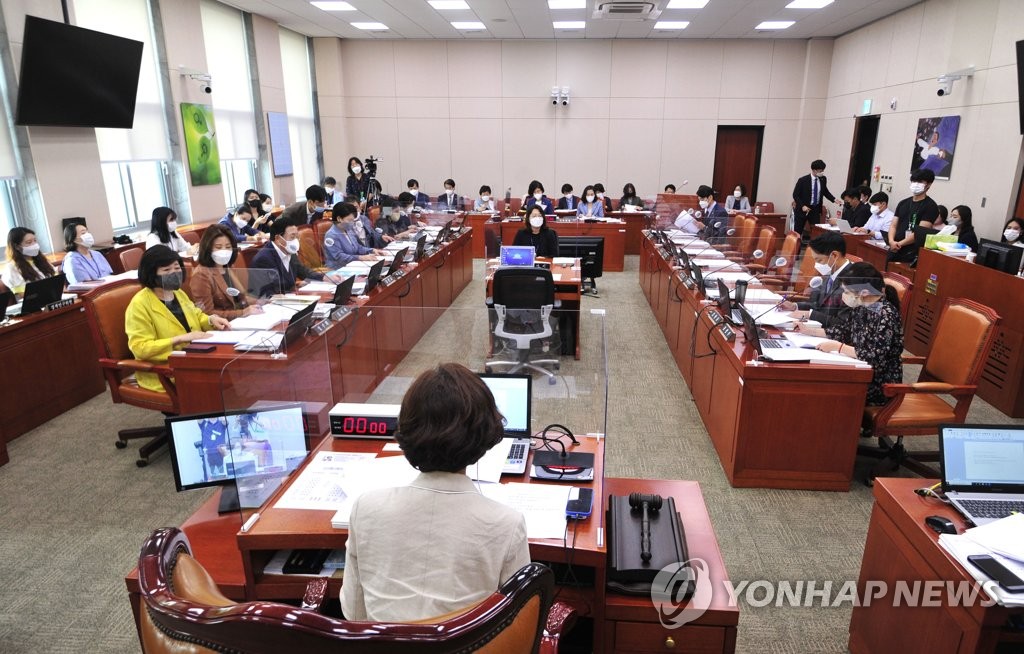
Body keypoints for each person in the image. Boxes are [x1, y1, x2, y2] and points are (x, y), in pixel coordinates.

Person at [340, 363, 530, 622]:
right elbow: (515, 625)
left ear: (406, 428)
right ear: (485, 435)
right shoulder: (507, 525)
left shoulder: (366, 508)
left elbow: (354, 614)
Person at [125, 245, 230, 393]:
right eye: (166, 270)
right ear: (151, 274)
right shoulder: (139, 305)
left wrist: (210, 320)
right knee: (219, 380)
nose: (174, 273)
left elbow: (196, 315)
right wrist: (180, 339)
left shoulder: (178, 293)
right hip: (165, 370)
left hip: (192, 357)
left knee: (230, 370)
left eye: (176, 267)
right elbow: (140, 348)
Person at [810, 262, 904, 406]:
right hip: (860, 371)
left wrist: (839, 347)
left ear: (864, 292)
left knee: (825, 391)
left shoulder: (886, 314)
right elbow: (845, 331)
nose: (844, 296)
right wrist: (810, 331)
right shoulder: (862, 306)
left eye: (847, 292)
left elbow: (874, 356)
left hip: (878, 383)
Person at [190, 224, 261, 319]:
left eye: (228, 247)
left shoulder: (227, 266)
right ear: (207, 248)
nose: (224, 251)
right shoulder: (201, 274)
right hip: (223, 326)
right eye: (218, 247)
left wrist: (263, 301)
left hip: (242, 319)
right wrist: (242, 313)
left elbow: (241, 298)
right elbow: (207, 313)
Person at [251, 217, 339, 292]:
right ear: (278, 238)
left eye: (297, 236)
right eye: (293, 237)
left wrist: (324, 278)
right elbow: (265, 293)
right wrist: (293, 288)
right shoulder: (263, 259)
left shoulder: (288, 250)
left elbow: (302, 271)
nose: (296, 240)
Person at [784, 231, 851, 327]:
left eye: (819, 260)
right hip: (816, 327)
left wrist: (810, 315)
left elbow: (842, 323)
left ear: (834, 255)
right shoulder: (831, 272)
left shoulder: (853, 279)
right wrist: (795, 306)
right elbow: (818, 304)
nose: (817, 265)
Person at [887, 168, 938, 264]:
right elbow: (893, 225)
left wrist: (899, 244)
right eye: (914, 181)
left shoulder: (931, 206)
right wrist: (891, 241)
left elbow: (920, 233)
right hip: (893, 248)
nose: (915, 184)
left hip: (910, 253)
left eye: (919, 182)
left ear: (929, 184)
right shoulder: (903, 203)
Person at [324, 202, 387, 269]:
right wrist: (360, 257)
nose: (352, 223)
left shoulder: (348, 230)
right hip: (338, 269)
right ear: (339, 219)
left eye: (353, 220)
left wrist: (372, 250)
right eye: (350, 220)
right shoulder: (331, 235)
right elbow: (339, 256)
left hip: (353, 265)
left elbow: (358, 247)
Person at [3, 227, 57, 295]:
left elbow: (58, 281)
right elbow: (24, 295)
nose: (34, 245)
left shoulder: (41, 260)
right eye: (29, 242)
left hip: (53, 297)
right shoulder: (12, 268)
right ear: (17, 246)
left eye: (35, 240)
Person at [792, 159, 836, 237]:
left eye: (823, 170)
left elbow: (825, 191)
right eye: (820, 171)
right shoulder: (803, 180)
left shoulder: (823, 179)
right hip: (803, 209)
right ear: (814, 170)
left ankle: (813, 249)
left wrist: (834, 199)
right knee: (798, 232)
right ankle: (796, 249)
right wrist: (802, 206)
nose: (822, 172)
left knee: (816, 232)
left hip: (815, 209)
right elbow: (795, 195)